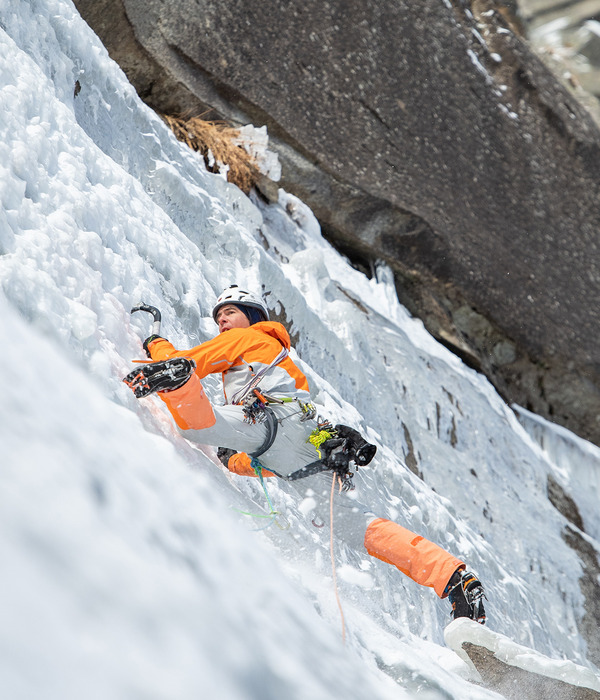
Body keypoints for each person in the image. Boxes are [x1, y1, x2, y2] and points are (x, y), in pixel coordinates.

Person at [124, 285, 486, 623]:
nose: (221, 320)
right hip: (303, 440)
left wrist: (157, 344)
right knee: (351, 524)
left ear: (250, 316)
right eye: (218, 316)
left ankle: (176, 385)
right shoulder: (280, 359)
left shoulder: (246, 337)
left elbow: (192, 360)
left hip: (270, 417)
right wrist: (231, 461)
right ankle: (454, 578)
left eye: (229, 312)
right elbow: (276, 459)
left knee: (193, 421)